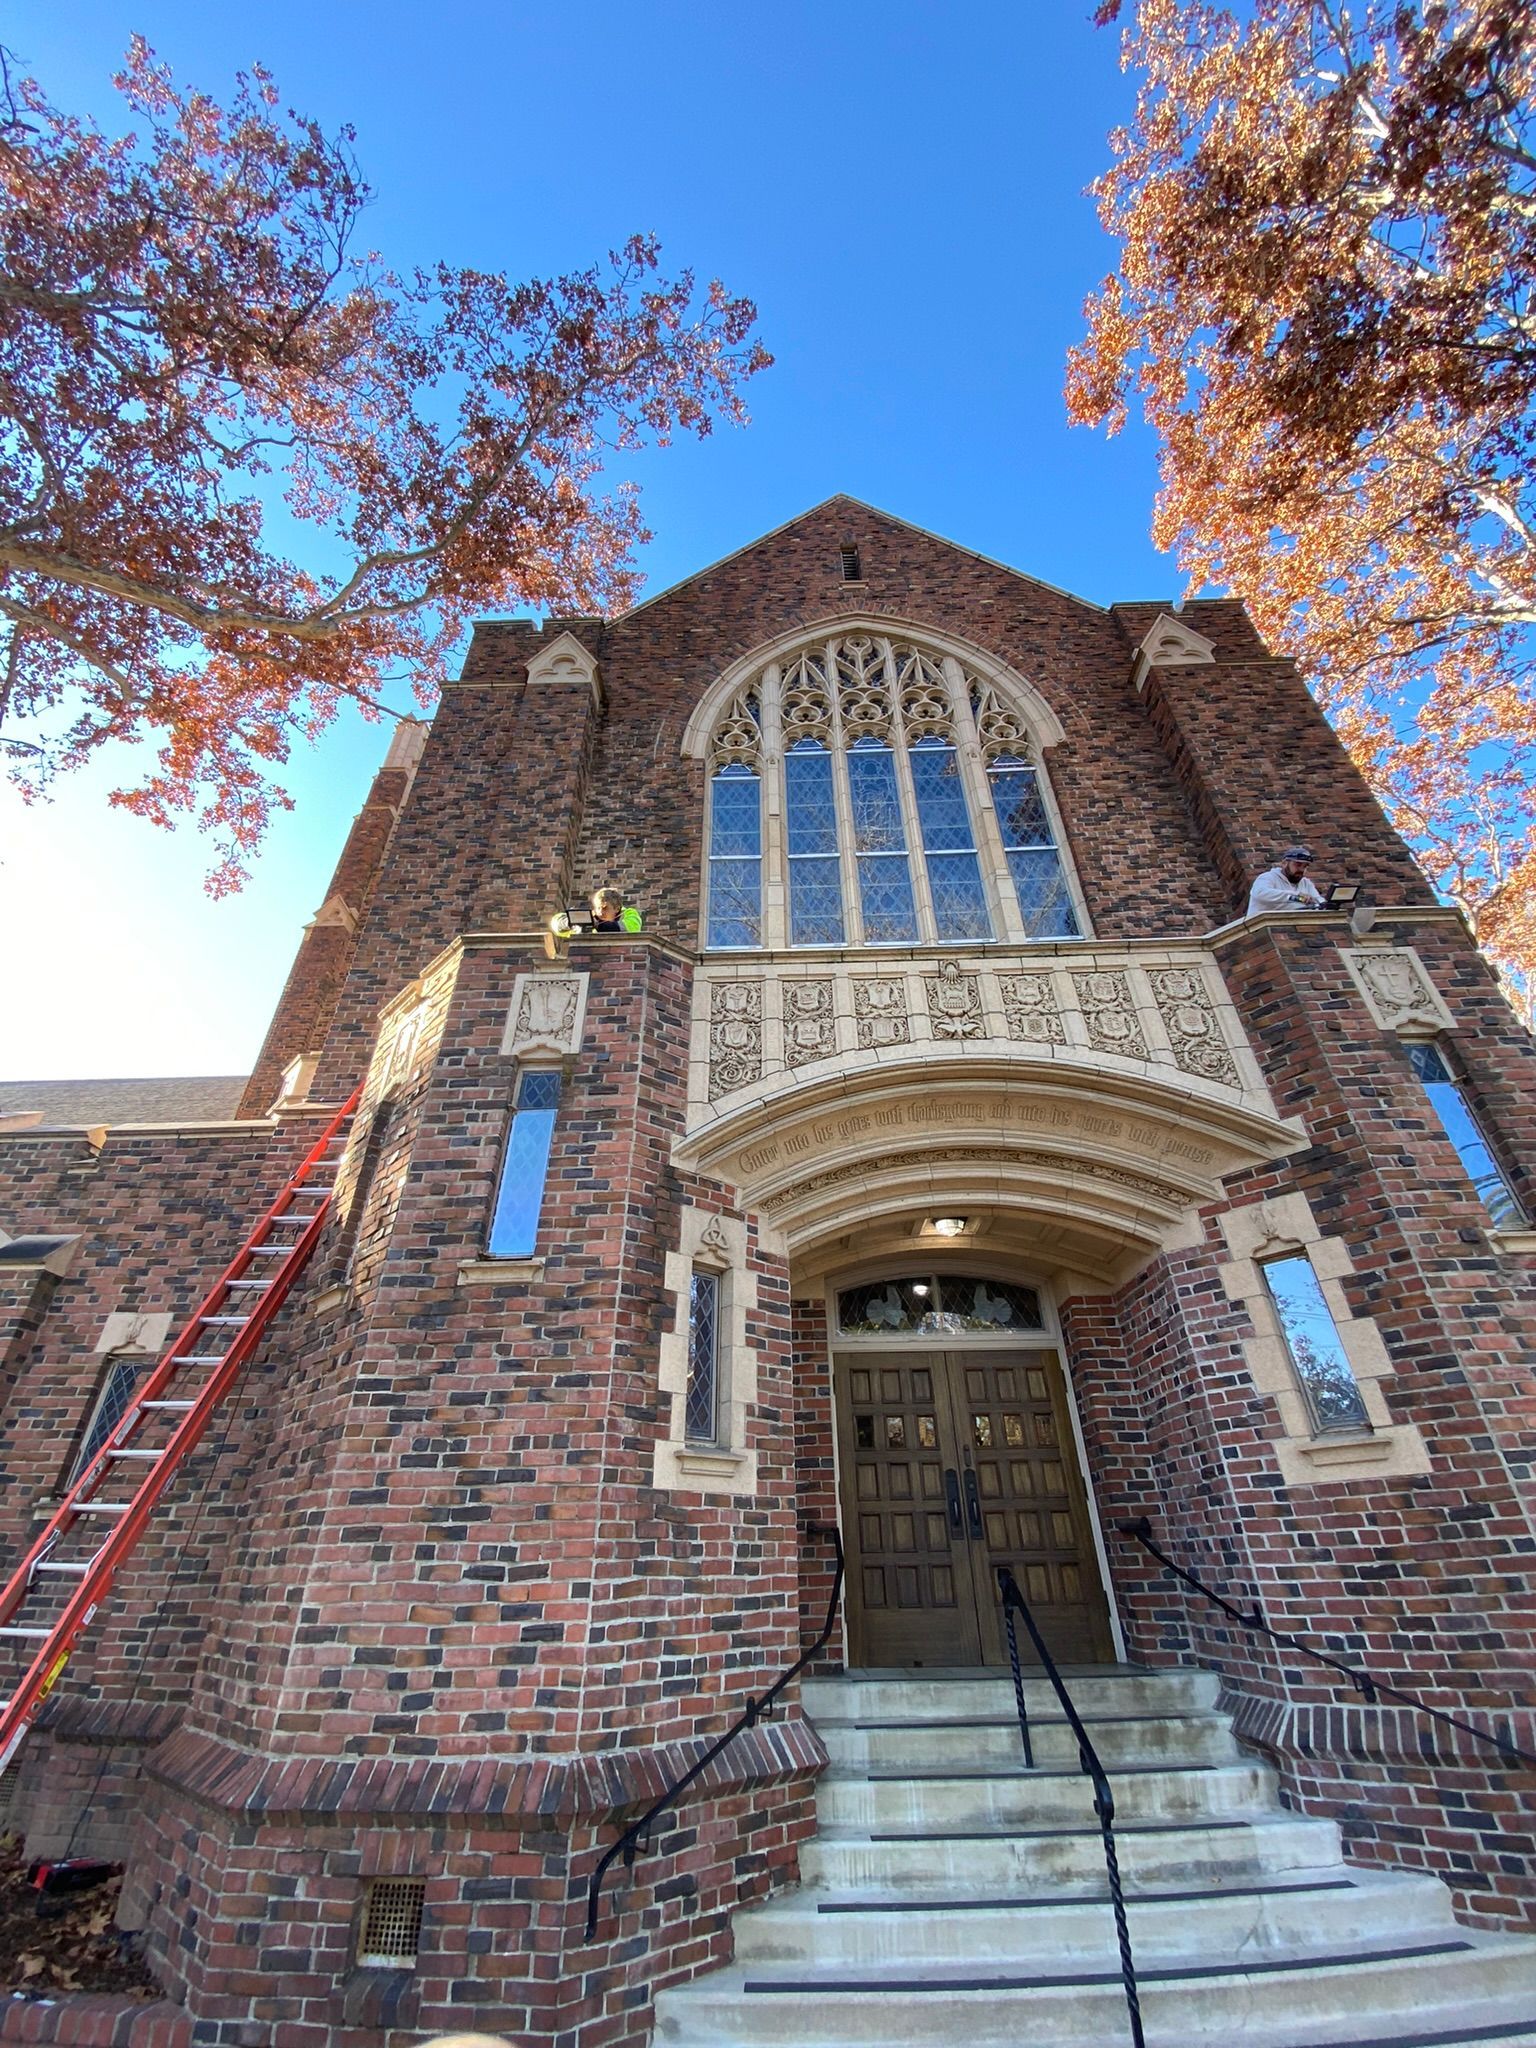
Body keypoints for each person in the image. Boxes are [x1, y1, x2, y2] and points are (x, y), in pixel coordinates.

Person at [1247, 845, 1326, 916]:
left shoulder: (1306, 883)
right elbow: (1260, 893)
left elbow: (1318, 900)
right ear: (1284, 863)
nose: (1302, 869)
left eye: (1305, 866)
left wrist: (1327, 904)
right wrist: (1296, 895)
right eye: (1298, 865)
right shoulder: (1268, 877)